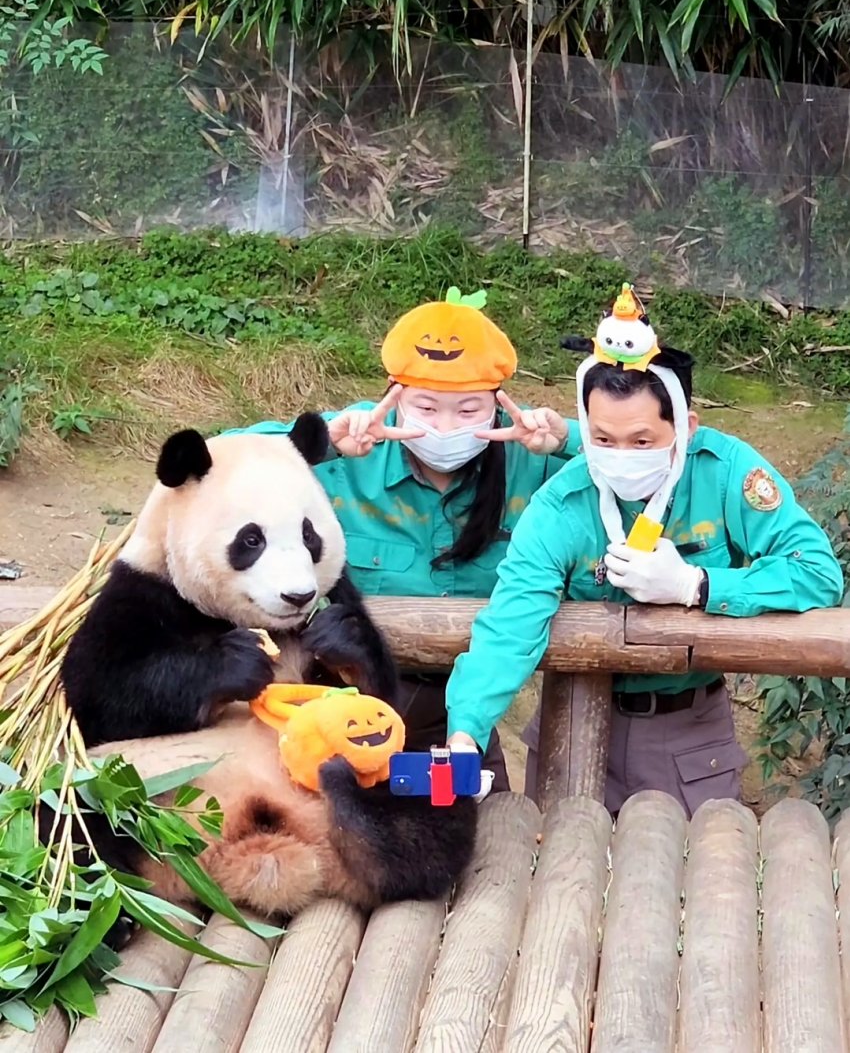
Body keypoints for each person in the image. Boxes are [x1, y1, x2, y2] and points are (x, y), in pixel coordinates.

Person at [444, 283, 844, 817]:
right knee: (559, 881)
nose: (620, 456)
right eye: (603, 439)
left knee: (692, 883)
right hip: (572, 719)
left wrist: (699, 586)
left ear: (683, 427)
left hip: (688, 732)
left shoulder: (724, 472)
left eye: (641, 441)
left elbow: (816, 571)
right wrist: (466, 729)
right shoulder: (563, 502)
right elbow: (512, 618)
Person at [223, 286, 581, 792]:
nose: (445, 428)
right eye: (427, 408)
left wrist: (568, 440)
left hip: (462, 720)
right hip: (342, 710)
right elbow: (218, 459)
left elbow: (646, 464)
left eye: (470, 411)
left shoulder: (532, 459)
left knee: (493, 847)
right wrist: (321, 444)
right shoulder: (349, 450)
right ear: (395, 394)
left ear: (501, 405)